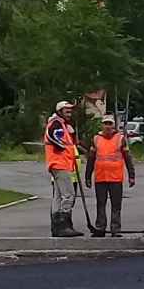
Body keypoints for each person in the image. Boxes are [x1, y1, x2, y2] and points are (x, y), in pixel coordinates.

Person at [90, 115, 136, 236]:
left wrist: (132, 175)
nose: (108, 126)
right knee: (100, 204)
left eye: (110, 124)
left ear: (113, 125)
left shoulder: (120, 139)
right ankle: (100, 229)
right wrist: (87, 176)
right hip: (100, 177)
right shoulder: (96, 139)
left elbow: (127, 157)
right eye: (106, 123)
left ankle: (115, 230)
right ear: (102, 125)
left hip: (115, 177)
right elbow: (91, 158)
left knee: (116, 205)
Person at [43, 100, 81, 236]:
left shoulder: (62, 125)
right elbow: (52, 135)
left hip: (59, 164)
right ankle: (64, 226)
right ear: (60, 112)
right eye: (67, 111)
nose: (69, 114)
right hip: (60, 163)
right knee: (68, 194)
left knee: (58, 197)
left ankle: (56, 227)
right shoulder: (56, 123)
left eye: (70, 111)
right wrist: (61, 146)